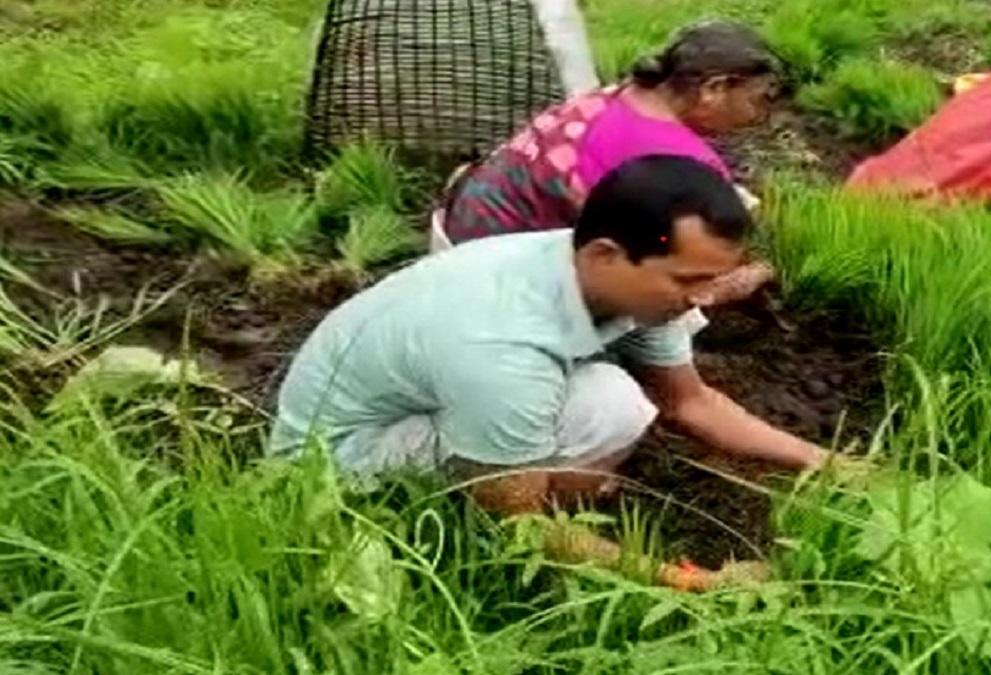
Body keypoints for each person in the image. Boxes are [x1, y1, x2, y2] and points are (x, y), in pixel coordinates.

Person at [272, 157, 832, 590]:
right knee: (537, 482)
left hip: (426, 403)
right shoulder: (503, 344)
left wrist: (827, 463)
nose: (704, 299)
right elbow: (521, 523)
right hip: (334, 464)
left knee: (616, 400)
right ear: (606, 254)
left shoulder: (636, 287)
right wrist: (694, 581)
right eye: (690, 280)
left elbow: (691, 403)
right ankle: (452, 530)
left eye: (712, 279)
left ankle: (545, 484)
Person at [431, 19, 789, 303]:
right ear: (715, 88)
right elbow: (681, 263)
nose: (760, 118)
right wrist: (757, 272)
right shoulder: (681, 157)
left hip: (459, 229)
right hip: (501, 285)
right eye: (759, 101)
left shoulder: (625, 94)